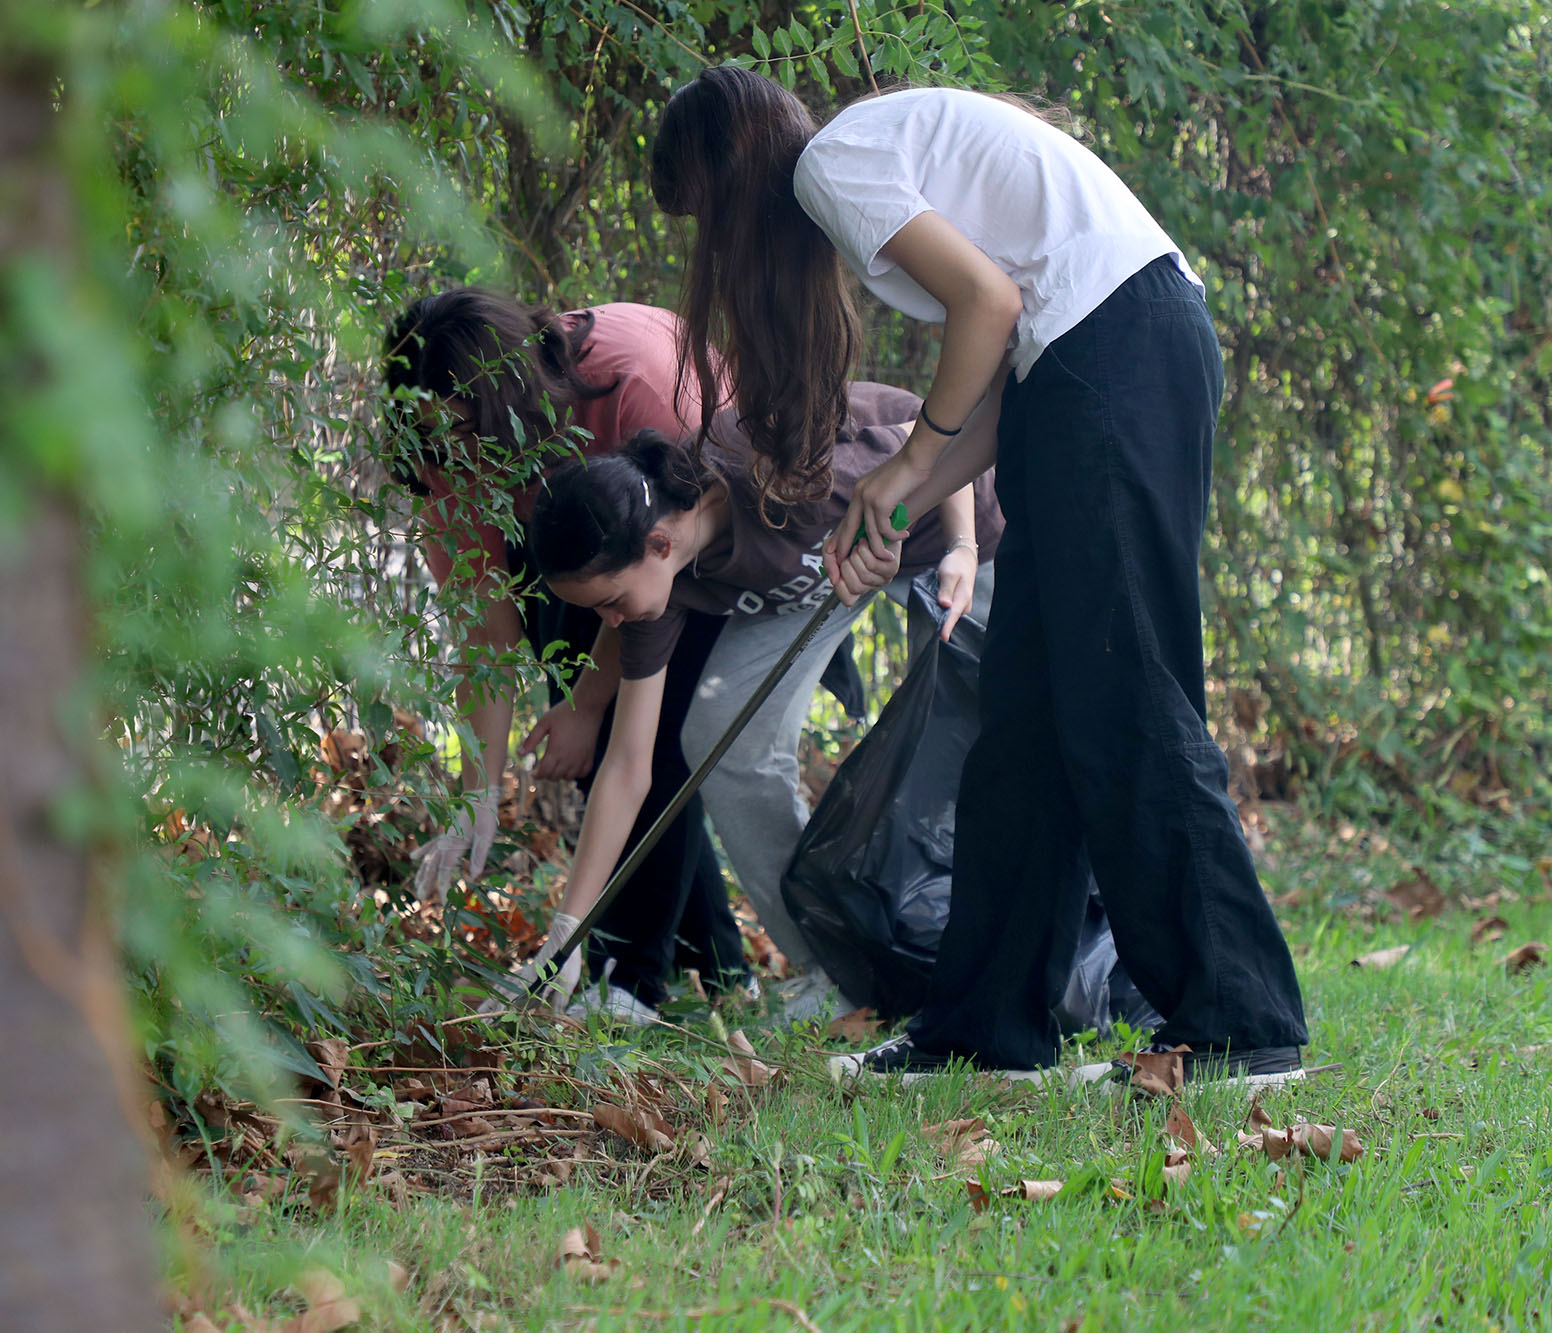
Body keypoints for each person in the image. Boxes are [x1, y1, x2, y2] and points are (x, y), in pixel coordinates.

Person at [650, 67, 1310, 1085]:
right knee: (1027, 722)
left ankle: (1238, 1020)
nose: (716, 245)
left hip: (1117, 357)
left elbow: (987, 306)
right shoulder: (869, 156)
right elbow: (1002, 370)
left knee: (1123, 691)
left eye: (702, 216)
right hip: (1092, 365)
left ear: (723, 173)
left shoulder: (834, 161)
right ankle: (982, 1030)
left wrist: (910, 463)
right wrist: (899, 499)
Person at [506, 384, 996, 1020]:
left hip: (964, 526)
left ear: (658, 543)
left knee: (1001, 742)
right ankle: (836, 969)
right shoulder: (662, 589)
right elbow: (627, 767)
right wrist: (566, 933)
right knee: (719, 738)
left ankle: (1026, 967)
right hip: (834, 566)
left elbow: (933, 444)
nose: (610, 624)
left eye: (610, 603)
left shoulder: (786, 485)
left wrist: (963, 547)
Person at [382, 289, 752, 1019]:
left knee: (648, 728)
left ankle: (630, 975)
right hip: (576, 533)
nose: (450, 459)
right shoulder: (444, 456)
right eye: (432, 440)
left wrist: (588, 703)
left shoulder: (637, 389)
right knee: (586, 737)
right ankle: (717, 966)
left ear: (506, 404)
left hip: (690, 527)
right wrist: (476, 793)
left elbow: (652, 596)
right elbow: (486, 635)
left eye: (459, 434)